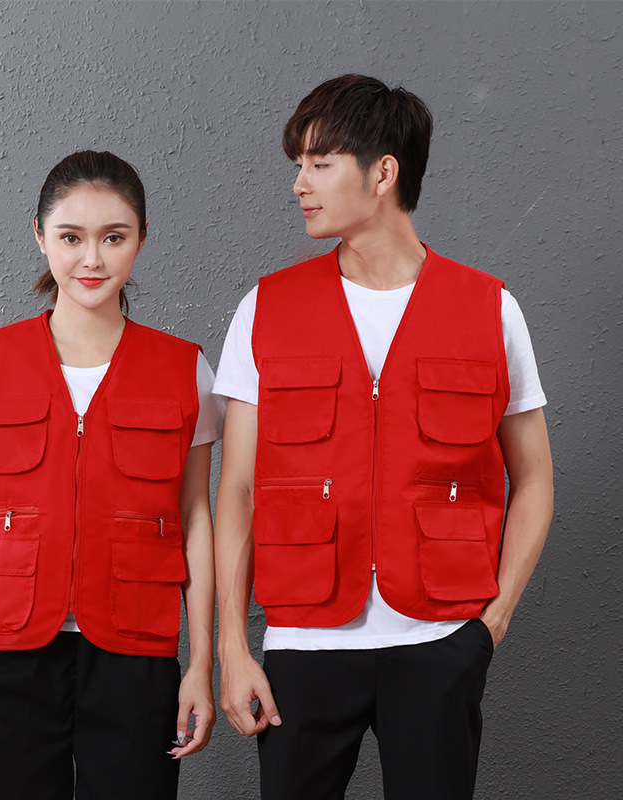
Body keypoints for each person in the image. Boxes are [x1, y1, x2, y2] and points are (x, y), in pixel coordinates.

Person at [213, 75, 554, 800]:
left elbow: (535, 478)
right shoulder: (265, 309)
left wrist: (489, 626)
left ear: (383, 173)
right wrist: (232, 647)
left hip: (438, 642)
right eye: (298, 165)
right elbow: (237, 489)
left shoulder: (490, 309)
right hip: (304, 646)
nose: (300, 184)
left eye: (320, 163)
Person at [0, 150, 220, 800]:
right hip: (5, 646)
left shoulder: (185, 369)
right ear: (41, 236)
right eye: (72, 237)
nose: (92, 259)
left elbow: (196, 517)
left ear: (141, 239)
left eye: (114, 237)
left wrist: (201, 663)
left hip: (136, 651)